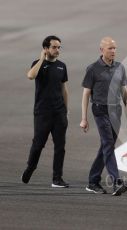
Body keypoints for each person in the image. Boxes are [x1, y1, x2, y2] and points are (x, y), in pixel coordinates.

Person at [80, 37, 127, 196]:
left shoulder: (120, 67)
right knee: (108, 143)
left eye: (115, 48)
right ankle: (116, 182)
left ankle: (93, 181)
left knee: (107, 146)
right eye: (110, 48)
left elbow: (125, 92)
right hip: (100, 110)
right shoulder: (93, 68)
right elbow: (86, 94)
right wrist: (84, 118)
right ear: (101, 50)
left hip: (116, 111)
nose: (113, 51)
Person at [22, 35, 69, 188]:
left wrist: (66, 111)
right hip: (42, 113)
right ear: (46, 48)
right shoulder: (38, 64)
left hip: (59, 113)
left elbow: (64, 89)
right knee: (38, 144)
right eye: (54, 47)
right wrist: (41, 59)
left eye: (59, 47)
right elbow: (30, 76)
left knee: (60, 147)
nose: (57, 50)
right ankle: (31, 167)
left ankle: (57, 178)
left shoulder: (62, 66)